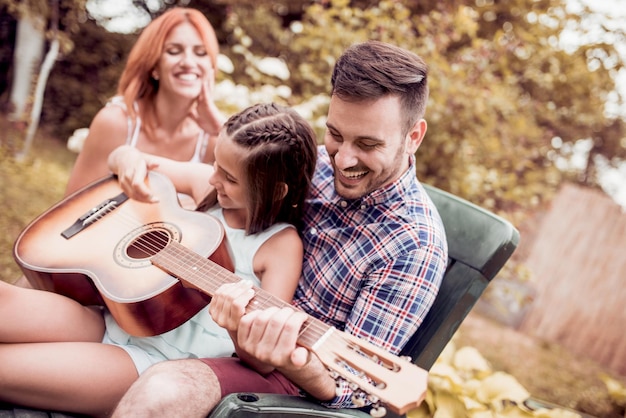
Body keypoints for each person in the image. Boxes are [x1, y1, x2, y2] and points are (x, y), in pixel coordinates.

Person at [111, 40, 449, 418]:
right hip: (217, 318)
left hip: (292, 382)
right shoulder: (315, 164)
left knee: (163, 391)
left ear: (413, 136)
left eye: (368, 144)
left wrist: (291, 358)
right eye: (336, 134)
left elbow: (350, 390)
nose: (344, 159)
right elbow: (225, 182)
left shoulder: (414, 245)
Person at [0, 102, 318, 417]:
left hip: (151, 359)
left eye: (229, 178)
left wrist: (235, 325)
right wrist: (129, 165)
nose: (212, 179)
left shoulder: (280, 246)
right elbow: (124, 156)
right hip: (114, 319)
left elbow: (262, 357)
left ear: (276, 191)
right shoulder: (206, 184)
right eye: (215, 165)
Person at [64, 7, 226, 204]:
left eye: (201, 53)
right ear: (155, 66)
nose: (188, 62)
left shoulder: (214, 140)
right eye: (174, 51)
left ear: (211, 67)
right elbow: (71, 210)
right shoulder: (115, 122)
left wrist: (220, 127)